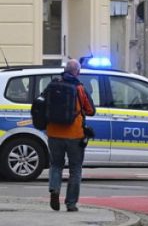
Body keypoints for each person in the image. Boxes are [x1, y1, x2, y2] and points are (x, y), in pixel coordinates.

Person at [45, 60, 95, 213]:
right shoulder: (79, 88)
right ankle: (71, 204)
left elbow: (43, 103)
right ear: (77, 72)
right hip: (74, 135)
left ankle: (54, 190)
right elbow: (91, 110)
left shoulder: (52, 85)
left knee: (56, 165)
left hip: (53, 133)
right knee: (75, 169)